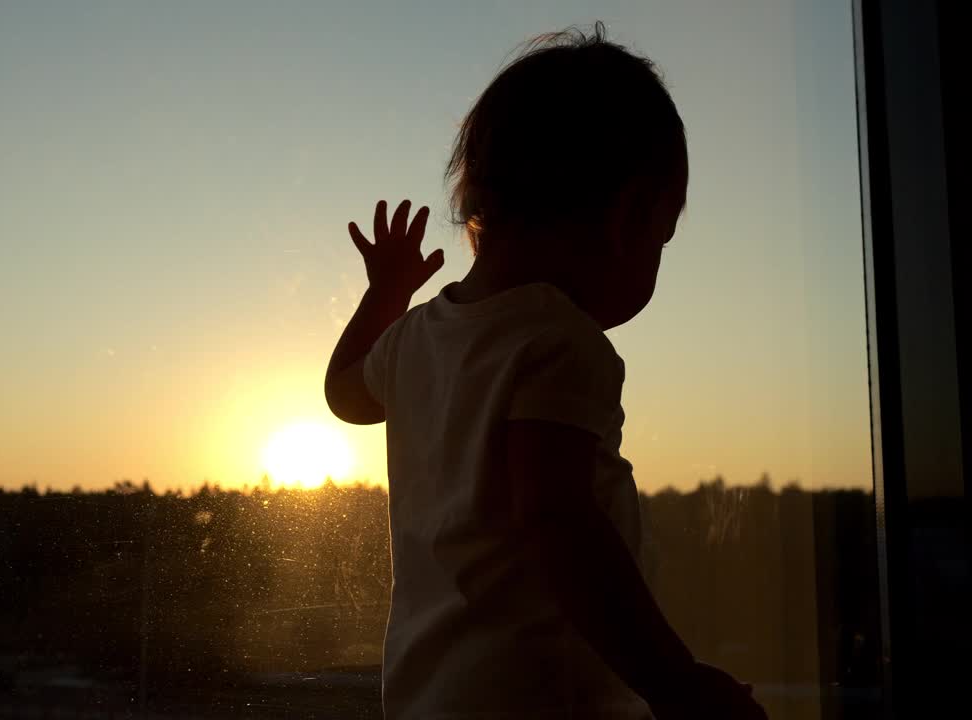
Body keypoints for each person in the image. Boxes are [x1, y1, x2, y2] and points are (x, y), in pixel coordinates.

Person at [323, 24, 767, 720]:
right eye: (662, 240)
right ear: (631, 217)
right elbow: (557, 520)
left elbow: (345, 392)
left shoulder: (417, 337)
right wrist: (677, 683)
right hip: (539, 695)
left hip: (426, 696)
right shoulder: (560, 341)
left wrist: (386, 296)